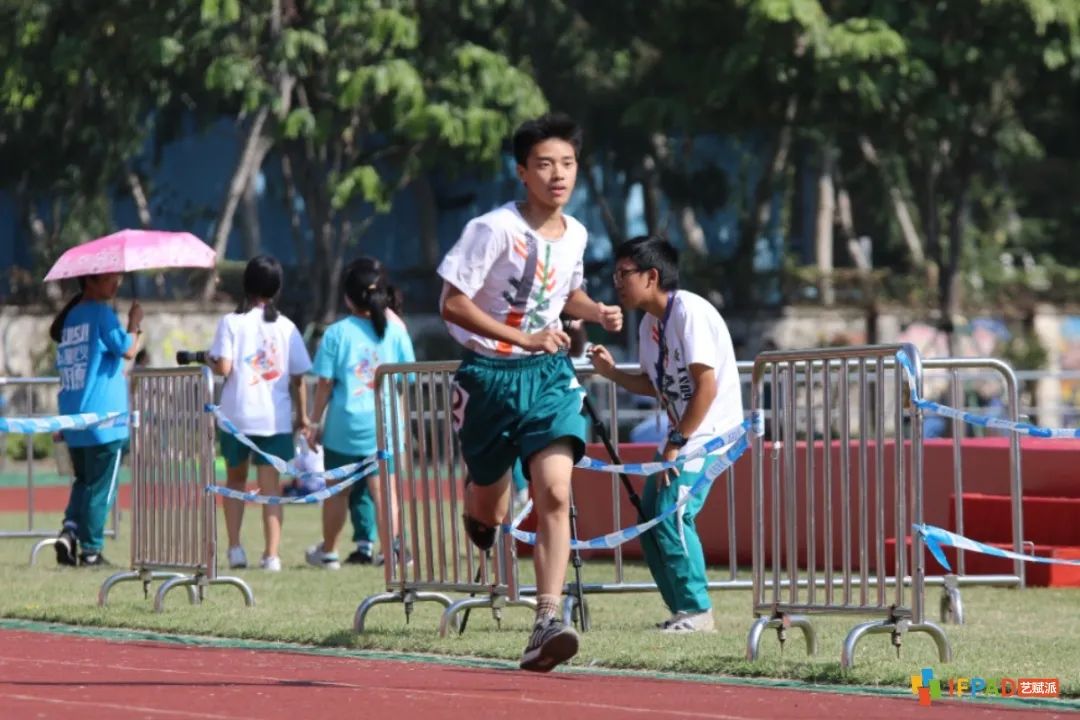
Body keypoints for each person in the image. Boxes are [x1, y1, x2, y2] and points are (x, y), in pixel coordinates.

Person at [438, 113, 622, 672]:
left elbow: (567, 294)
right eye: (544, 164)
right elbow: (452, 303)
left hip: (547, 377)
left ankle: (547, 618)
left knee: (556, 494)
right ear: (522, 172)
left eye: (566, 164)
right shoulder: (492, 229)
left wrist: (597, 311)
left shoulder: (579, 234)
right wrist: (523, 336)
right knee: (489, 513)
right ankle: (482, 496)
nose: (557, 175)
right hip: (489, 377)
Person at [588, 235, 743, 633]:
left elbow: (704, 386)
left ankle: (698, 611)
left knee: (672, 509)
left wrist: (675, 444)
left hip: (711, 433)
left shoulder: (688, 310)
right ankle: (682, 611)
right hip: (684, 436)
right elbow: (656, 385)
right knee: (651, 513)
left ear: (652, 276)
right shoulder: (650, 324)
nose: (617, 283)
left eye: (624, 274)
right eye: (615, 274)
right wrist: (613, 375)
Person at [303, 257, 414, 569]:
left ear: (348, 297)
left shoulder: (336, 333)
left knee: (337, 492)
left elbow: (324, 383)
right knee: (385, 492)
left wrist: (313, 421)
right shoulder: (395, 332)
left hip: (344, 424)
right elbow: (408, 377)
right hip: (384, 424)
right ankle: (392, 550)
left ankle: (329, 553)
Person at [208, 255, 312, 572]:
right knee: (271, 489)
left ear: (246, 285)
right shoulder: (286, 327)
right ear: (276, 288)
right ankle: (271, 556)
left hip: (237, 416)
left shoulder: (231, 323)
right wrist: (303, 417)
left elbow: (224, 368)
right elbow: (298, 377)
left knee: (235, 482)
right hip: (274, 419)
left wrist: (212, 360)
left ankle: (236, 549)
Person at [50, 273, 143, 566]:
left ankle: (70, 531)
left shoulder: (71, 318)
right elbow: (128, 350)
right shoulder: (102, 313)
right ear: (90, 280)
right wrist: (136, 324)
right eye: (109, 278)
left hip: (74, 417)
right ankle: (91, 551)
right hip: (105, 420)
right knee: (102, 488)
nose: (116, 282)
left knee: (84, 482)